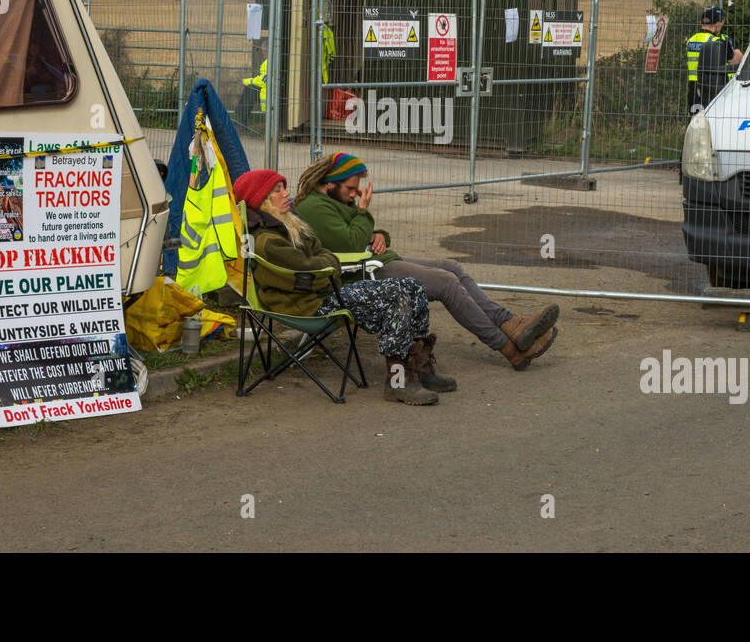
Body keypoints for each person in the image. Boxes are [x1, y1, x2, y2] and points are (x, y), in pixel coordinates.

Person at [294, 152, 560, 371]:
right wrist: (364, 213)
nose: (355, 194)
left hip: (373, 260)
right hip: (360, 274)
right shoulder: (314, 208)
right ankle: (510, 348)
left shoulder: (330, 200)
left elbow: (356, 231)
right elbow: (351, 241)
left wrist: (379, 234)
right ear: (330, 182)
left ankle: (513, 324)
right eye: (350, 189)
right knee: (446, 283)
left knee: (452, 267)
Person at [233, 169, 451, 405]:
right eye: (278, 190)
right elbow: (309, 272)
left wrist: (325, 265)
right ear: (261, 198)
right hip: (307, 306)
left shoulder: (288, 226)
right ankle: (398, 382)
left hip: (321, 295)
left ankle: (420, 367)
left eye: (284, 187)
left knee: (413, 285)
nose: (287, 193)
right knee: (396, 294)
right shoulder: (268, 240)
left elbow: (322, 255)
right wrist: (328, 267)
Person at [687, 6, 742, 113]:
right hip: (713, 85)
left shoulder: (691, 40)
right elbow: (736, 61)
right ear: (717, 23)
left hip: (693, 87)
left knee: (696, 120)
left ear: (700, 22)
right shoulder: (717, 42)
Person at [236, 42, 268, 127]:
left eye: (263, 51)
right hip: (266, 90)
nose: (262, 53)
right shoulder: (268, 61)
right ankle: (241, 117)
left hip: (267, 92)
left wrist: (247, 81)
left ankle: (242, 120)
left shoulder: (269, 62)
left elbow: (263, 80)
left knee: (249, 89)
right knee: (249, 89)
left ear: (266, 51)